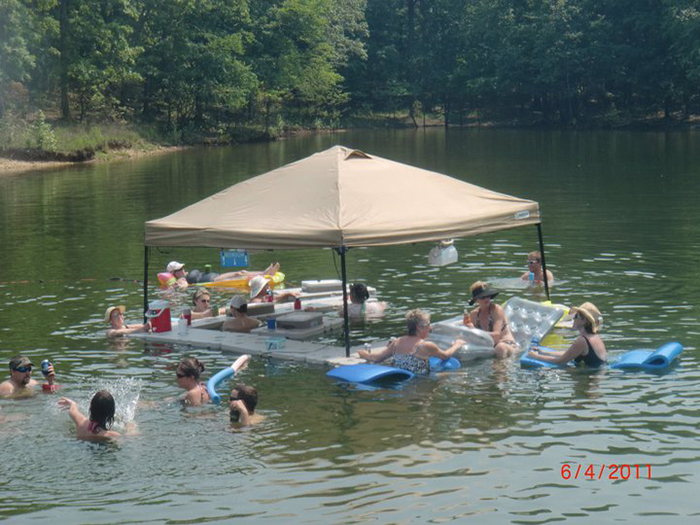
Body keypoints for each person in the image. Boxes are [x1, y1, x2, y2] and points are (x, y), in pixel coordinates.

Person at [358, 309, 465, 374]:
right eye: (428, 325)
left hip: (401, 377)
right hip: (420, 381)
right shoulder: (426, 345)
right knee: (456, 374)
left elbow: (377, 358)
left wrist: (363, 354)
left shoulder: (397, 342)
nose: (430, 328)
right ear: (419, 328)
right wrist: (456, 345)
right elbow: (445, 356)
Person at [528, 302, 607, 367]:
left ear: (584, 321)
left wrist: (535, 356)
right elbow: (568, 354)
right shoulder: (594, 336)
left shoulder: (583, 340)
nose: (573, 318)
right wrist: (543, 352)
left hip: (588, 379)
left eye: (576, 316)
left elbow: (560, 361)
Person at [463, 281, 519, 359]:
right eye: (483, 297)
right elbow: (473, 337)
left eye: (488, 296)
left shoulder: (496, 310)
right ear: (476, 300)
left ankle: (500, 370)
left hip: (506, 345)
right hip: (489, 347)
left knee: (500, 347)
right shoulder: (474, 314)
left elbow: (496, 336)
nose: (486, 299)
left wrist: (474, 330)